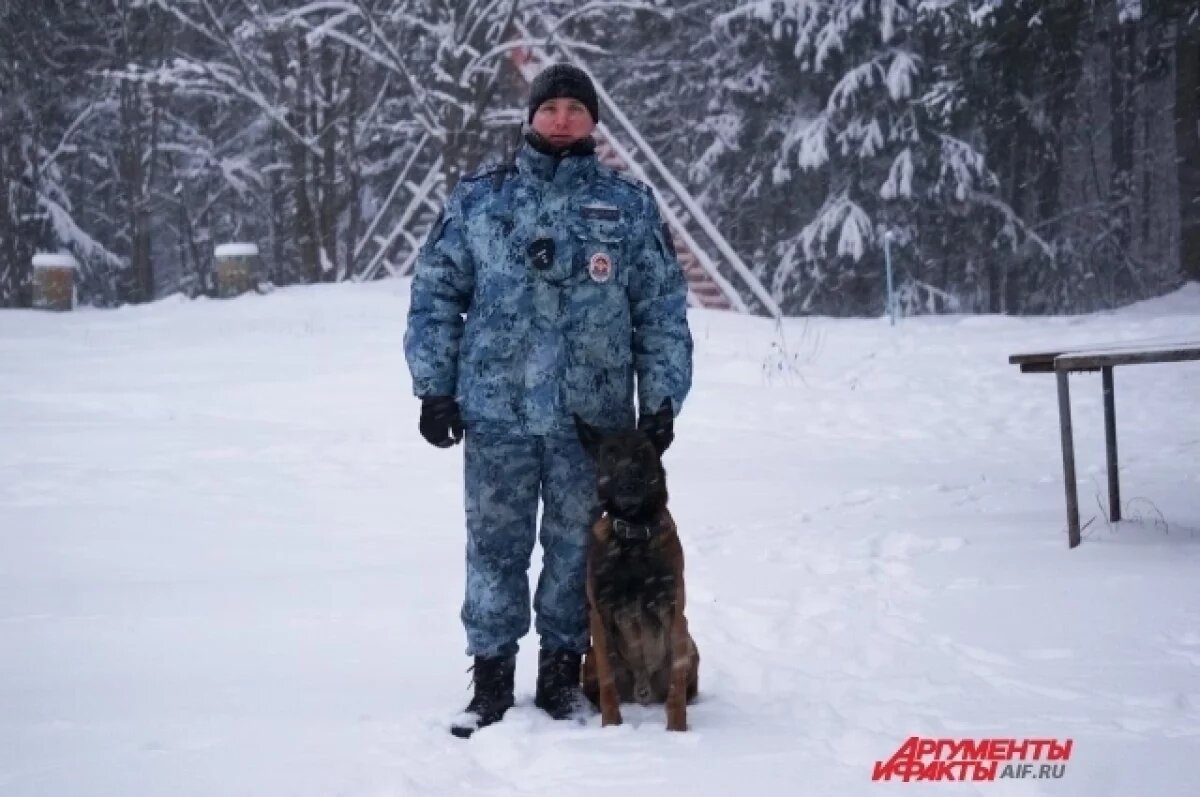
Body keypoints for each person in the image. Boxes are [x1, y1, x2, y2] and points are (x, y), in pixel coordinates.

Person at [404, 63, 693, 739]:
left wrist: (661, 401)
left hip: (590, 425)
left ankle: (562, 674)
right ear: (531, 116)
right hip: (496, 410)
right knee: (495, 547)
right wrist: (434, 387)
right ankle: (492, 680)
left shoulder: (627, 206)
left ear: (593, 120)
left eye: (575, 107)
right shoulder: (481, 200)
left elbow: (660, 308)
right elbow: (436, 295)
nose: (562, 117)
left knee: (573, 549)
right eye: (551, 106)